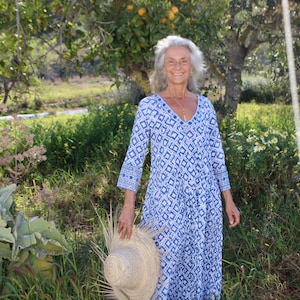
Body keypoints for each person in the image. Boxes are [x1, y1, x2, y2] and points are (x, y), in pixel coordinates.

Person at [117, 35, 240, 300]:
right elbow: (134, 158)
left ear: (192, 66)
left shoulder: (205, 107)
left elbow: (217, 157)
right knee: (164, 268)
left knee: (201, 266)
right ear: (162, 67)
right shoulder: (148, 108)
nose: (177, 66)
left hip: (204, 202)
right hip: (166, 202)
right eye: (171, 61)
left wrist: (228, 201)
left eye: (183, 61)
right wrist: (128, 208)